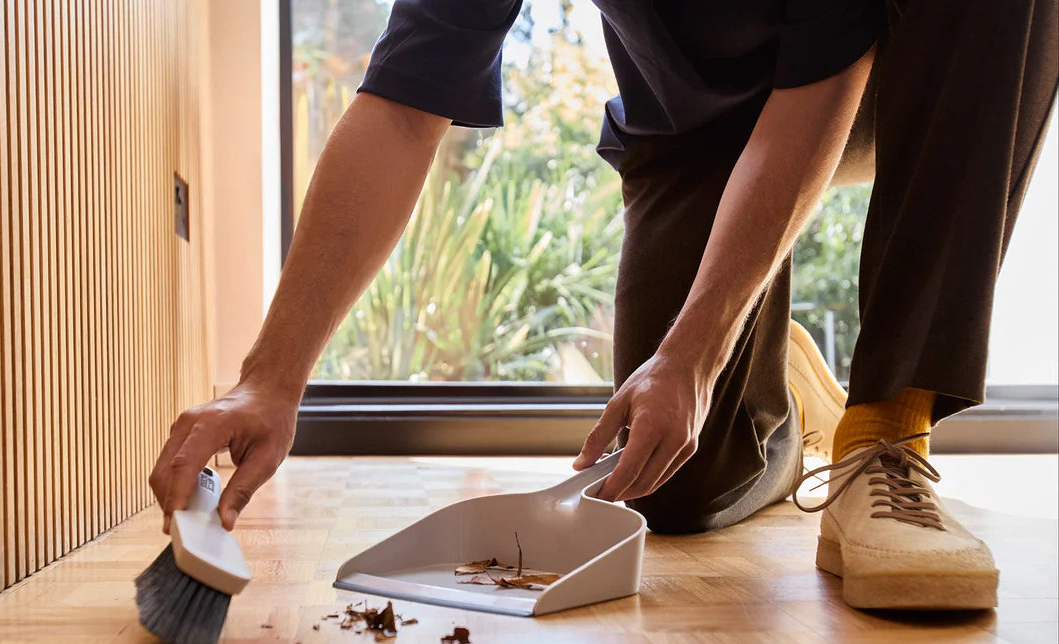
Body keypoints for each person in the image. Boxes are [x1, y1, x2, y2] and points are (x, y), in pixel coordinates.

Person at [149, 1, 1057, 611]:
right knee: (675, 487)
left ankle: (885, 433)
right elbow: (401, 107)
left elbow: (817, 85)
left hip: (873, 80)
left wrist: (696, 354)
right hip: (692, 132)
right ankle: (786, 400)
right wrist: (270, 378)